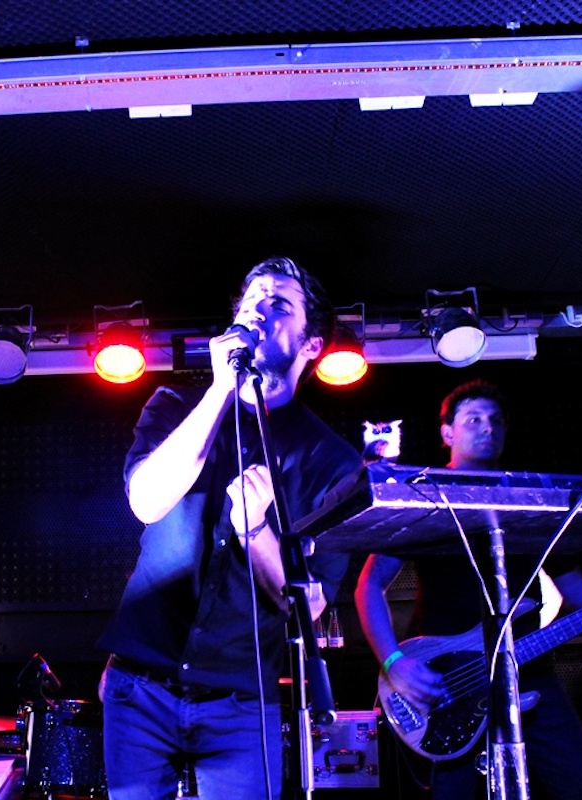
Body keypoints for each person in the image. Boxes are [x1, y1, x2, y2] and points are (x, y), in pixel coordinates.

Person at [96, 257, 364, 800]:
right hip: (140, 685)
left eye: (278, 304)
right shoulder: (174, 407)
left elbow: (308, 606)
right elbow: (146, 502)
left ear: (312, 345)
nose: (258, 313)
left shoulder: (334, 464)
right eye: (249, 304)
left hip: (244, 696)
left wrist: (257, 530)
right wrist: (221, 390)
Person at [354, 378, 582, 800]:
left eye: (495, 420)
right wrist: (394, 662)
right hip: (451, 684)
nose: (487, 427)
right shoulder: (426, 496)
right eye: (473, 419)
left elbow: (574, 586)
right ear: (447, 432)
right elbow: (369, 585)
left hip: (531, 672)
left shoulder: (529, 499)